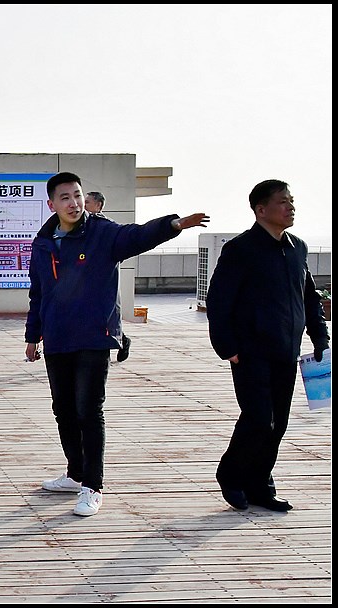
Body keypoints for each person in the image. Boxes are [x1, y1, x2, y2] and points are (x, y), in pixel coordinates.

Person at [25, 172, 208, 516]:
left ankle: (92, 485)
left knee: (88, 410)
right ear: (51, 204)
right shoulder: (44, 242)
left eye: (77, 195)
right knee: (63, 409)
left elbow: (137, 236)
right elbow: (39, 293)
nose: (74, 203)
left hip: (94, 337)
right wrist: (32, 335)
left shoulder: (102, 233)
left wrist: (173, 225)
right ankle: (75, 473)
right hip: (58, 337)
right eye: (65, 197)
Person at [206, 179, 329, 512]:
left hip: (286, 351)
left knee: (279, 423)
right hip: (250, 352)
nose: (291, 207)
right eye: (283, 201)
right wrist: (226, 346)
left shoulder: (297, 248)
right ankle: (231, 476)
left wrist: (320, 337)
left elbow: (309, 297)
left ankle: (260, 485)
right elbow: (219, 301)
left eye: (292, 200)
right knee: (259, 419)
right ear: (261, 209)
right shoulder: (241, 250)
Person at [84, 191, 132, 363]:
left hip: (102, 279)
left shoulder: (107, 227)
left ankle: (121, 341)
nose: (83, 205)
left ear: (98, 205)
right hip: (84, 278)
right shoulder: (81, 225)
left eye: (87, 202)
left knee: (105, 317)